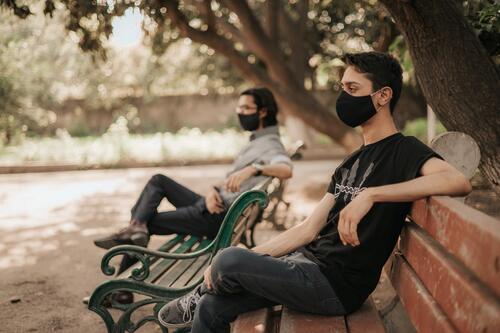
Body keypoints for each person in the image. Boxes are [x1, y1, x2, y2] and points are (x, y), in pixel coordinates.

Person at [156, 51, 472, 333]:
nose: (343, 96)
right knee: (213, 306)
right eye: (342, 88)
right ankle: (204, 293)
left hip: (335, 286)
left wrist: (371, 195)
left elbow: (457, 181)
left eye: (353, 89)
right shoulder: (352, 161)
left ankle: (203, 288)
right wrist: (251, 259)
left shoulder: (404, 151)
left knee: (228, 261)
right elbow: (307, 230)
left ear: (383, 96)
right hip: (306, 266)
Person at [92, 87, 293, 304]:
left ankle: (123, 282)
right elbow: (227, 183)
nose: (240, 112)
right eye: (239, 106)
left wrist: (253, 168)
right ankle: (136, 227)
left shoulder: (270, 143)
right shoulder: (257, 141)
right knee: (158, 181)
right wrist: (210, 191)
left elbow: (286, 168)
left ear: (262, 112)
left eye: (246, 107)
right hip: (215, 205)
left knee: (147, 219)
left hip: (216, 218)